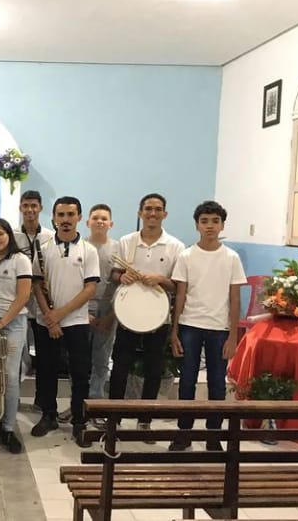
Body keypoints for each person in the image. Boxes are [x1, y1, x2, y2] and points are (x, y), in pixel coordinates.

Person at [169, 201, 246, 452]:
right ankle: (184, 434)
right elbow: (180, 295)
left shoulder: (231, 258)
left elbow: (235, 299)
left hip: (219, 328)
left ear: (222, 225)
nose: (210, 226)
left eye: (215, 221)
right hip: (189, 325)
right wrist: (174, 331)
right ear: (197, 225)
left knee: (217, 384)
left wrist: (233, 336)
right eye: (204, 221)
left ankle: (214, 436)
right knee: (187, 381)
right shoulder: (186, 256)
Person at [107, 193, 185, 440]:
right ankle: (114, 420)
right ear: (140, 212)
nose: (153, 213)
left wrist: (161, 279)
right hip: (127, 315)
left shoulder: (175, 246)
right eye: (148, 209)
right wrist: (122, 276)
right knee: (120, 367)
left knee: (154, 369)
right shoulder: (127, 241)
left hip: (158, 318)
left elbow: (179, 285)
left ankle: (145, 421)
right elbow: (114, 274)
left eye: (158, 209)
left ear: (165, 214)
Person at [29, 198, 100, 448]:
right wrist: (50, 317)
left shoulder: (89, 250)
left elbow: (90, 288)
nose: (66, 220)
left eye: (71, 214)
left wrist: (60, 314)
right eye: (61, 215)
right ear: (54, 218)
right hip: (46, 322)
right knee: (46, 371)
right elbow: (37, 285)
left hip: (76, 322)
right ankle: (48, 416)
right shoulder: (43, 247)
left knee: (80, 373)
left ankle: (79, 420)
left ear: (79, 217)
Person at [0, 218, 32, 453]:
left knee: (10, 376)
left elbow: (23, 296)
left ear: (9, 235)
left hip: (13, 324)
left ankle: (8, 428)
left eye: (0, 234)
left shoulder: (20, 260)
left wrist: (3, 322)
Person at [13, 190, 54, 407]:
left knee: (44, 354)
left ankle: (41, 398)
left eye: (34, 206)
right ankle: (14, 397)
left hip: (41, 302)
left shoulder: (50, 236)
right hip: (19, 302)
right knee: (17, 354)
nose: (30, 210)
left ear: (40, 208)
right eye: (26, 205)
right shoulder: (12, 235)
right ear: (20, 207)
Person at [85, 204, 120, 425]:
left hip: (108, 310)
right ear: (87, 222)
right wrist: (81, 312)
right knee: (80, 360)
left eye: (104, 218)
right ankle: (79, 404)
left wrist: (111, 316)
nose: (100, 221)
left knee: (101, 359)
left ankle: (96, 404)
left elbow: (120, 285)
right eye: (95, 218)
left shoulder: (118, 249)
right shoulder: (80, 246)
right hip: (82, 309)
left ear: (111, 224)